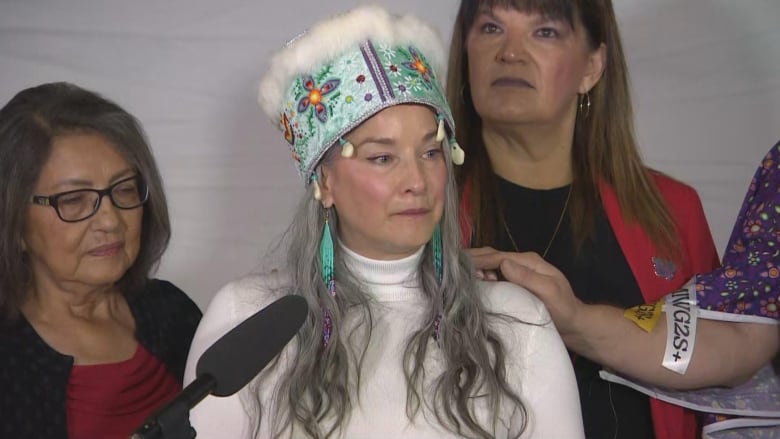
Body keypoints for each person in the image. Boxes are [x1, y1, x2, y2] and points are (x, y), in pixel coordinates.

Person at [184, 5, 583, 439]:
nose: (416, 181)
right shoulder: (247, 320)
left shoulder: (516, 322)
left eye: (431, 153)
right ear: (326, 181)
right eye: (383, 158)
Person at [446, 1, 720, 439]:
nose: (510, 52)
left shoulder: (673, 211)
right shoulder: (417, 211)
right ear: (465, 52)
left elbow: (725, 389)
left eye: (544, 32)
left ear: (592, 66)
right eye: (492, 27)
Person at [472, 141, 780, 437]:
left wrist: (576, 320)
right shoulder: (439, 206)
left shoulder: (672, 206)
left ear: (590, 82)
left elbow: (742, 339)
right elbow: (746, 334)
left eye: (431, 151)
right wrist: (576, 319)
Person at [0, 82, 202, 439]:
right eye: (74, 200)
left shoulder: (172, 312)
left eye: (123, 189)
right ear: (13, 220)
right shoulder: (10, 363)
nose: (110, 220)